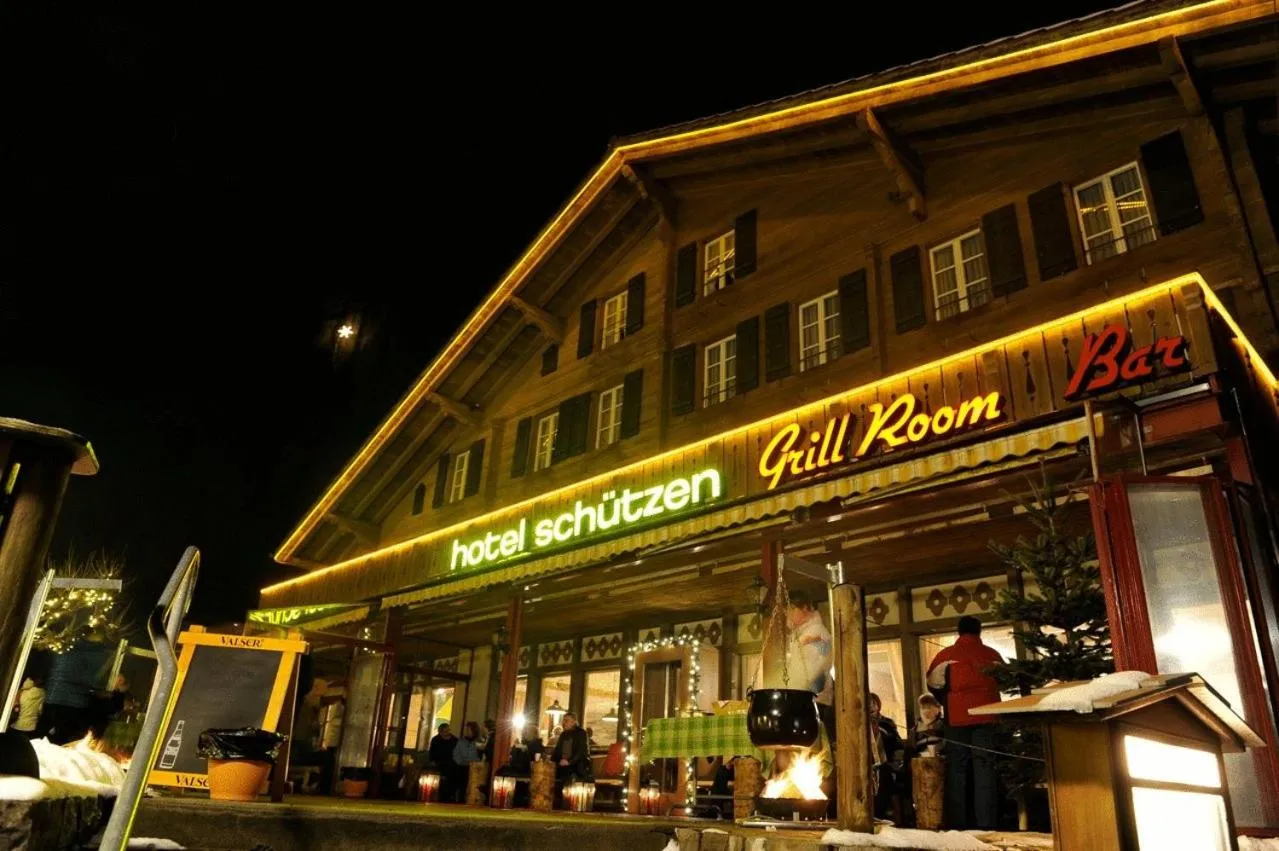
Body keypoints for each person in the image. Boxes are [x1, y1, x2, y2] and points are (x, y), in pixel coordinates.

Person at [926, 616, 1003, 830]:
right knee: (985, 768)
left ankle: (958, 823)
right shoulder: (992, 655)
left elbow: (933, 682)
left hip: (956, 717)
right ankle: (987, 823)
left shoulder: (946, 655)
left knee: (957, 769)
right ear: (979, 631)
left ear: (958, 631)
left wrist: (946, 696)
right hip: (988, 716)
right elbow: (1005, 681)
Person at [787, 590, 835, 742]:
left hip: (814, 700)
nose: (788, 614)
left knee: (814, 746)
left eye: (792, 609)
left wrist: (805, 692)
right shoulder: (801, 633)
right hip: (805, 698)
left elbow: (821, 666)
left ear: (805, 608)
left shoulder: (817, 632)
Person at [869, 693, 905, 820]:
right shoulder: (859, 723)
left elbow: (897, 744)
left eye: (873, 703)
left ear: (878, 706)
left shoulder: (886, 723)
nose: (870, 706)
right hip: (866, 762)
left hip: (885, 762)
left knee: (884, 774)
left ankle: (882, 812)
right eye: (867, 703)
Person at [551, 712, 592, 804]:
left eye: (566, 720)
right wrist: (553, 761)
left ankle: (570, 801)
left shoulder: (581, 733)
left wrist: (569, 762)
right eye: (563, 721)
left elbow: (582, 751)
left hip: (578, 765)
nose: (564, 723)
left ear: (574, 721)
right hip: (564, 765)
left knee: (571, 776)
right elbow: (558, 750)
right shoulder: (564, 734)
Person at [451, 721, 483, 802]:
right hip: (462, 767)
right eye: (466, 729)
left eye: (469, 730)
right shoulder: (461, 741)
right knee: (461, 787)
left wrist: (474, 762)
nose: (467, 731)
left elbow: (481, 756)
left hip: (475, 769)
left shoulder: (479, 742)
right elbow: (456, 754)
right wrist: (460, 762)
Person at [427, 723, 458, 801]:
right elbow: (432, 752)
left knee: (450, 781)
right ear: (440, 732)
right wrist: (432, 761)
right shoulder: (436, 740)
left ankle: (449, 796)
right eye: (445, 731)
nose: (447, 733)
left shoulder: (454, 740)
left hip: (451, 765)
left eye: (448, 730)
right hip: (438, 764)